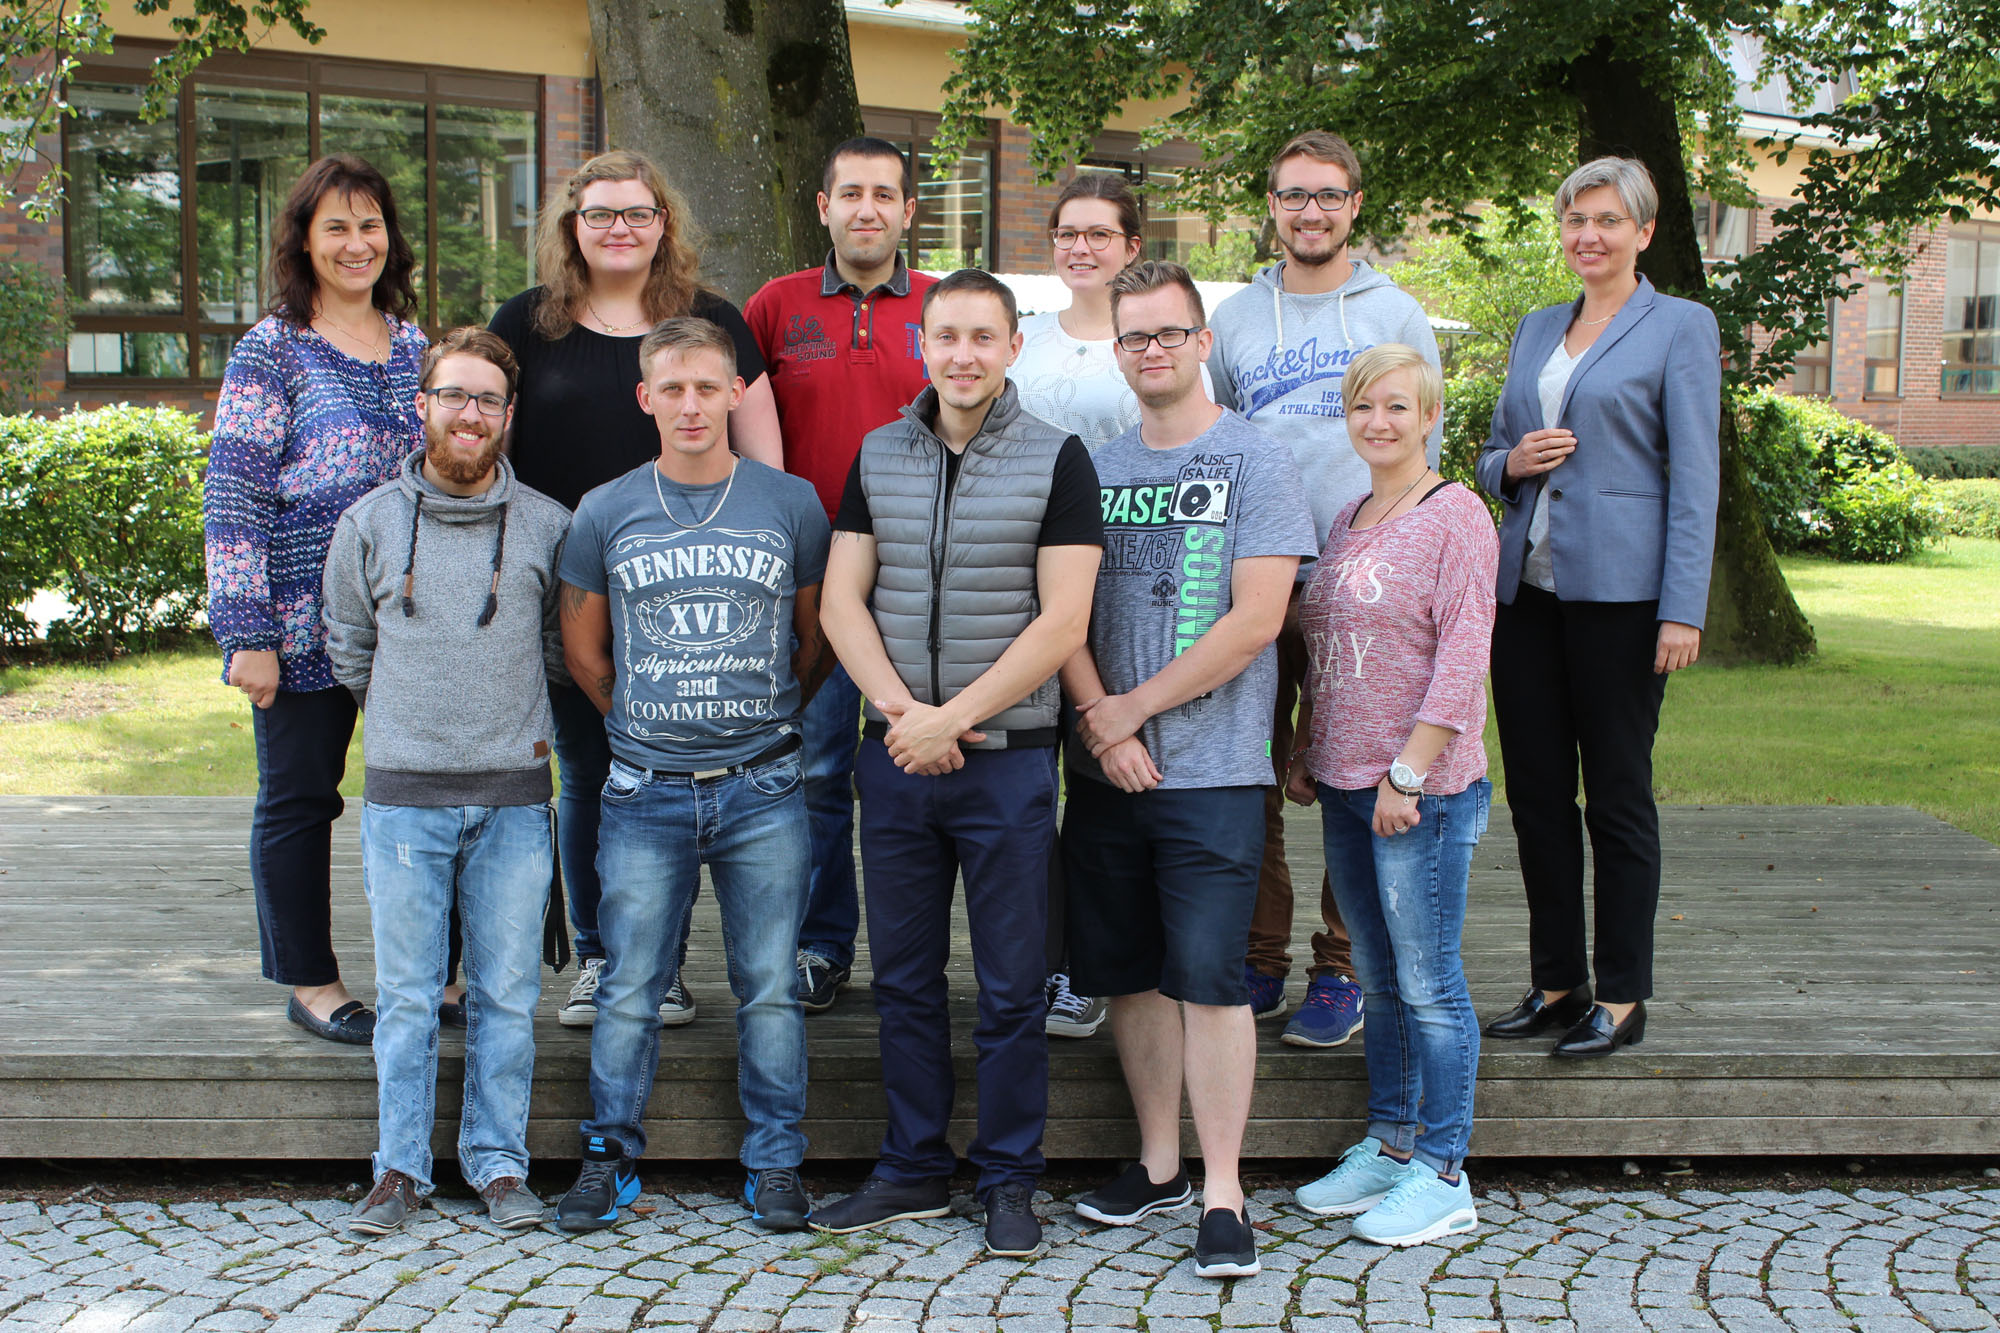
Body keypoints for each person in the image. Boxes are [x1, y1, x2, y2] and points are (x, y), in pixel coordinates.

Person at [812, 269, 1103, 1258]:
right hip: (896, 755)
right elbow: (842, 600)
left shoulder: (1058, 457)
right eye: (947, 336)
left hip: (1006, 760)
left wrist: (955, 719)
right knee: (902, 979)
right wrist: (905, 716)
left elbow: (1062, 619)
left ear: (1013, 346)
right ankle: (911, 1167)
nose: (963, 355)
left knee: (1014, 986)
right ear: (922, 345)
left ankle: (1009, 1176)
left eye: (983, 336)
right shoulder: (877, 452)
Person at [1061, 262, 1316, 1278]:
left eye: (1170, 333)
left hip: (1213, 770)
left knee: (1209, 980)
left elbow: (1256, 620)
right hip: (1105, 770)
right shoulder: (1092, 466)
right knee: (1128, 975)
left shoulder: (1257, 460)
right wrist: (1102, 723)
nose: (1152, 350)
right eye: (1134, 337)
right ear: (1116, 352)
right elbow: (1061, 614)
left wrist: (1135, 709)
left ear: (1202, 341)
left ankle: (1223, 1191)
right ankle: (1160, 1163)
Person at [490, 149, 780, 1032]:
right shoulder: (526, 323)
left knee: (684, 778)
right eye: (600, 213)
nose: (619, 228)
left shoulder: (713, 319)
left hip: (696, 592)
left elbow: (766, 463)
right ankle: (602, 957)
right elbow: (493, 456)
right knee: (590, 773)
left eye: (637, 212)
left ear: (665, 224)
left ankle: (667, 966)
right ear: (571, 226)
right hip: (572, 593)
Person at [553, 317, 830, 1234]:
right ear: (646, 398)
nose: (691, 405)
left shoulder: (790, 503)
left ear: (737, 393)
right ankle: (610, 1155)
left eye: (708, 386)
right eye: (672, 388)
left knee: (770, 982)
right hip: (645, 790)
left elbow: (815, 637)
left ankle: (776, 1160)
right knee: (629, 982)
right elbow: (584, 649)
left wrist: (766, 715)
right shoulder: (606, 509)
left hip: (763, 786)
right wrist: (643, 723)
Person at [322, 327, 570, 1235]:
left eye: (488, 399)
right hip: (403, 802)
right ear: (423, 404)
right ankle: (399, 1169)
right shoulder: (370, 524)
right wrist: (410, 727)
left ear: (509, 414)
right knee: (408, 994)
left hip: (514, 802)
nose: (471, 413)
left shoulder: (547, 525)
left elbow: (559, 650)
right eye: (454, 395)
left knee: (508, 995)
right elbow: (350, 647)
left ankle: (499, 1165)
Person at [1474, 157, 1720, 1058]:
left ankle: (1621, 995)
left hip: (1626, 598)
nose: (1589, 235)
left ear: (1644, 232)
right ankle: (1557, 983)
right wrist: (1510, 465)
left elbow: (1696, 477)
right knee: (1538, 798)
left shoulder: (1680, 326)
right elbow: (1493, 454)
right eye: (1576, 219)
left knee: (1616, 797)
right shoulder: (1538, 327)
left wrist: (1682, 608)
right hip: (1526, 598)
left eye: (1608, 220)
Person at [1208, 130, 1443, 1050]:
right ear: (1272, 205)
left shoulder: (1396, 312)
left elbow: (1421, 446)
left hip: (1362, 580)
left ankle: (1342, 968)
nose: (1312, 212)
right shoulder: (1235, 317)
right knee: (1252, 771)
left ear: (1355, 205)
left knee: (1352, 774)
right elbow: (1218, 436)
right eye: (1294, 195)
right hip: (1257, 575)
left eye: (1329, 195)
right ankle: (1259, 955)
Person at [203, 154, 427, 1046]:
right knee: (300, 799)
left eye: (370, 224)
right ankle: (311, 981)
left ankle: (437, 970)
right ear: (304, 240)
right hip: (299, 623)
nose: (355, 242)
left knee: (429, 797)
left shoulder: (415, 348)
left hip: (412, 623)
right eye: (336, 226)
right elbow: (234, 497)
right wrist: (246, 632)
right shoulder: (272, 349)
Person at [1285, 343, 1497, 1247]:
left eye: (1398, 406)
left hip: (1417, 792)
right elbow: (1327, 644)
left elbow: (1463, 657)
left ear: (1430, 415)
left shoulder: (1457, 516)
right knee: (1376, 976)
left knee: (1429, 982)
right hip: (1343, 783)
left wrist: (1408, 773)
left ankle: (1444, 1169)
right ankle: (1391, 1139)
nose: (1379, 421)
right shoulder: (1349, 515)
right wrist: (1306, 743)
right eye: (1364, 406)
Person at [1011, 172, 1216, 1041]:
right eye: (1067, 232)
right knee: (1033, 789)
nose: (1081, 248)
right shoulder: (1025, 339)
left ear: (1133, 245)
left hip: (1133, 582)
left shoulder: (1156, 339)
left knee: (1122, 782)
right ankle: (1048, 963)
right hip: (1029, 588)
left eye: (1100, 233)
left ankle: (1136, 967)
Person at [744, 137, 937, 1015]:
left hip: (923, 578)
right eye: (850, 193)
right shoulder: (775, 306)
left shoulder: (941, 305)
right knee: (816, 769)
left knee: (916, 766)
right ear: (822, 207)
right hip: (809, 580)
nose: (868, 209)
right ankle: (820, 944)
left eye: (884, 194)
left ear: (908, 211)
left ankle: (915, 953)